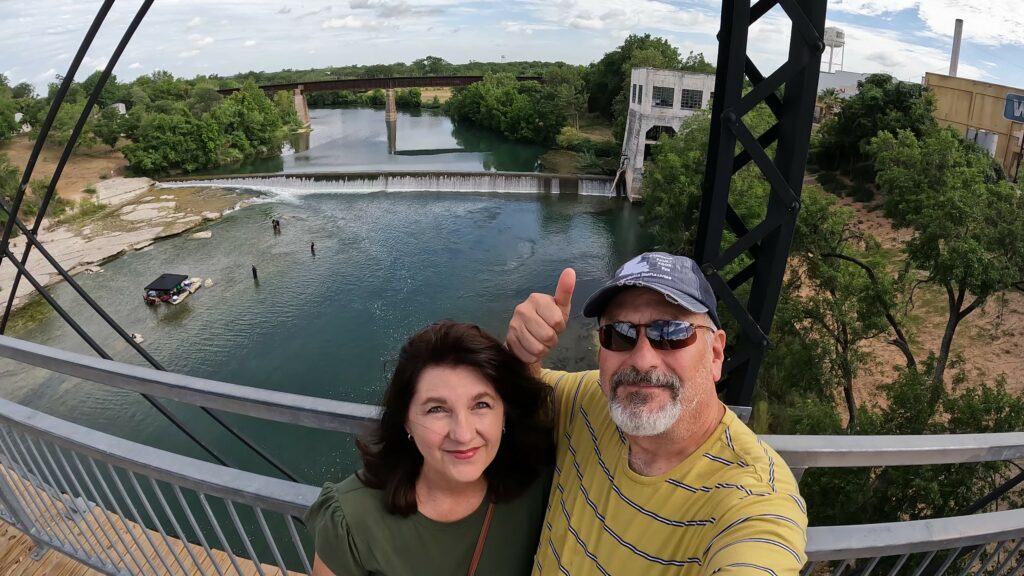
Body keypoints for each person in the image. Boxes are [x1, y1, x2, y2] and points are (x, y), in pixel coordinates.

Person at [505, 251, 808, 575]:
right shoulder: (592, 400)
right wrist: (522, 354)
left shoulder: (751, 497)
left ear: (716, 354)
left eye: (671, 333)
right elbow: (524, 389)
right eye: (619, 334)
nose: (642, 359)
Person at [306, 321, 555, 576]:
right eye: (437, 409)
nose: (463, 433)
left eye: (481, 404)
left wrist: (529, 353)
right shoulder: (352, 520)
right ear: (406, 421)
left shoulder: (540, 485)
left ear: (504, 414)